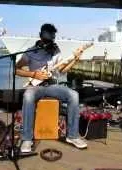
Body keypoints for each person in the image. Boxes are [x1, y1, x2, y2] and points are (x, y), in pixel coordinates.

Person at [16, 23, 89, 153]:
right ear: (41, 36)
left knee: (74, 95)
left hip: (51, 85)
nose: (50, 41)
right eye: (47, 38)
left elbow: (62, 70)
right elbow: (16, 69)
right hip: (35, 87)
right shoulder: (30, 52)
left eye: (52, 38)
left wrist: (75, 60)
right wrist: (33, 74)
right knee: (27, 96)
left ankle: (72, 136)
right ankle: (27, 138)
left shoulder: (55, 51)